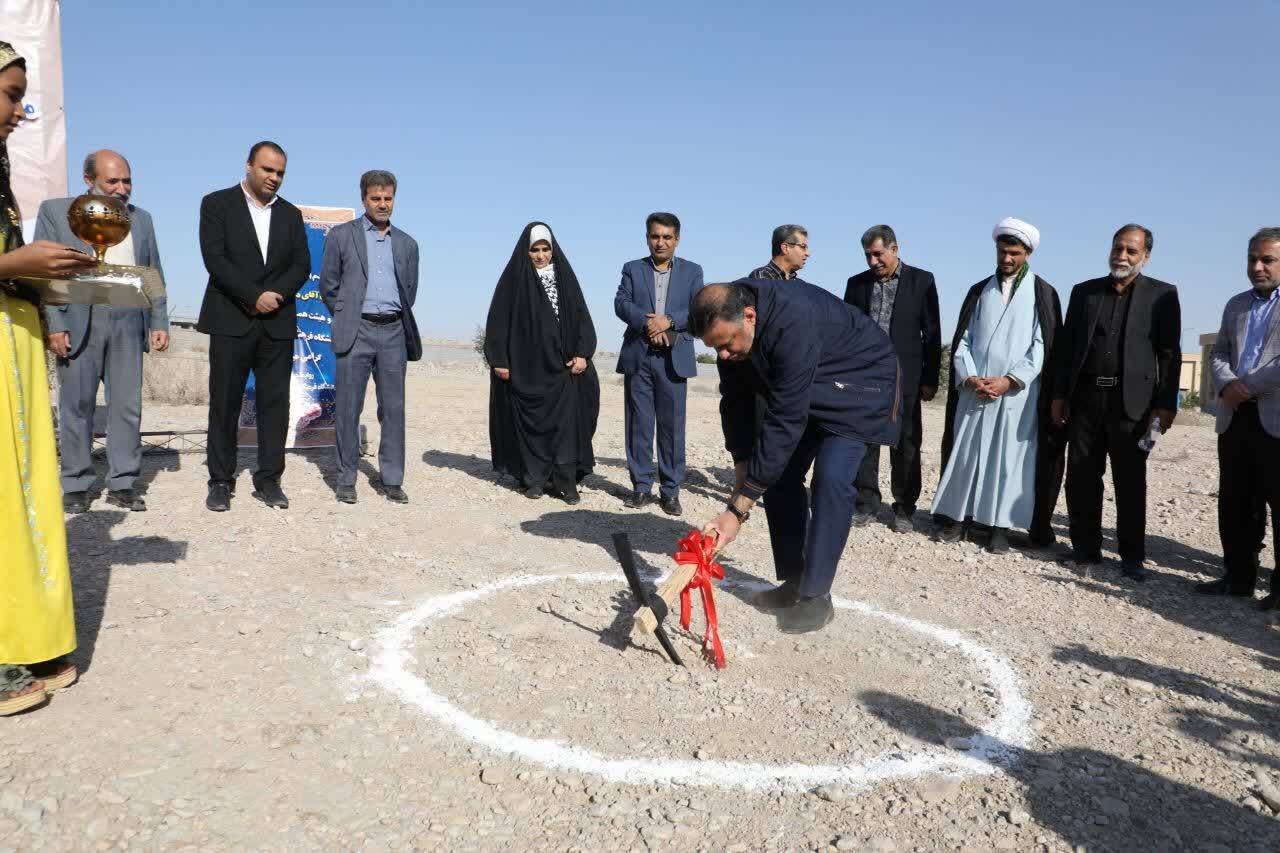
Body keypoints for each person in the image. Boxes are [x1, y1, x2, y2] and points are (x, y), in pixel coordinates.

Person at [692, 280, 900, 634]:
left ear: (750, 316)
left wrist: (738, 510)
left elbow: (785, 418)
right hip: (815, 382)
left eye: (726, 345)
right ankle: (795, 580)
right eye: (715, 349)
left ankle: (817, 596)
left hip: (861, 383)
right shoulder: (732, 333)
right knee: (779, 476)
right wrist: (744, 468)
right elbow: (736, 402)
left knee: (831, 478)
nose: (723, 355)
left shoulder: (792, 322)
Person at [0, 42, 96, 716]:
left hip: (16, 336)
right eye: (8, 94)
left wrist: (39, 269)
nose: (19, 109)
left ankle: (27, 637)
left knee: (23, 500)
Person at [38, 149, 169, 514]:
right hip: (80, 315)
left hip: (128, 317)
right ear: (89, 181)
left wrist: (158, 321)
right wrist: (56, 323)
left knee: (126, 407)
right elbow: (48, 273)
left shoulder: (142, 220)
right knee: (76, 405)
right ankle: (77, 483)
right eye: (113, 181)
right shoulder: (55, 212)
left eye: (127, 181)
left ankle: (123, 482)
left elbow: (152, 272)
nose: (121, 188)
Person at [1051, 225, 1181, 581]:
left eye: (1131, 251)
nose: (1122, 256)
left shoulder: (1162, 295)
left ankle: (1131, 557)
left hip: (1133, 405)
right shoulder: (1084, 293)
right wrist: (1059, 395)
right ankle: (1085, 551)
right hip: (1085, 400)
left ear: (1146, 257)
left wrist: (1165, 404)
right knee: (1081, 477)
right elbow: (1066, 350)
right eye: (1118, 248)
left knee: (1129, 480)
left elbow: (1169, 354)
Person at [932, 218, 1062, 553]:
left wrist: (1009, 380)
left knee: (1008, 461)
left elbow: (1042, 345)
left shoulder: (1042, 293)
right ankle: (958, 519)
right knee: (967, 455)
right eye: (1002, 252)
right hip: (975, 391)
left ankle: (998, 527)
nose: (1007, 259)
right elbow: (963, 339)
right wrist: (971, 376)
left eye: (1014, 253)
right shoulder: (979, 289)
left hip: (1016, 394)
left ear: (1028, 253)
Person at [197, 141, 310, 512]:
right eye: (267, 170)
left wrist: (274, 295)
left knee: (275, 405)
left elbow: (300, 265)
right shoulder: (216, 204)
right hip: (231, 320)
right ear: (248, 166)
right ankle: (220, 480)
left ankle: (269, 480)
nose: (274, 178)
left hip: (276, 323)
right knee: (225, 403)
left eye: (280, 172)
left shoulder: (292, 216)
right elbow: (215, 259)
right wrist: (252, 296)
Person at [320, 169, 421, 505]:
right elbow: (329, 286)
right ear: (363, 198)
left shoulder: (408, 244)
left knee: (393, 409)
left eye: (388, 198)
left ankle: (391, 479)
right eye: (376, 198)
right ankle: (347, 477)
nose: (382, 204)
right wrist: (347, 315)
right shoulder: (340, 236)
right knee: (349, 408)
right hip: (356, 330)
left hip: (393, 331)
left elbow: (410, 291)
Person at [485, 222, 599, 503]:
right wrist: (499, 359)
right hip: (527, 369)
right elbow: (498, 321)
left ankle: (566, 483)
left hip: (563, 368)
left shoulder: (565, 279)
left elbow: (582, 318)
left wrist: (583, 353)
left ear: (553, 249)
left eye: (545, 249)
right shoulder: (514, 279)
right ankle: (533, 479)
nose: (540, 255)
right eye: (534, 250)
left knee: (566, 426)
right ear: (526, 252)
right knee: (528, 426)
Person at [844, 224, 941, 533]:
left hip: (906, 377)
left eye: (878, 254)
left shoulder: (922, 281)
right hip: (866, 376)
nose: (873, 262)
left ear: (894, 249)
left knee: (907, 442)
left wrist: (929, 379)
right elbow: (846, 331)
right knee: (866, 441)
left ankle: (904, 509)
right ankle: (866, 503)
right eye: (868, 256)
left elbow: (932, 333)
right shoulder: (856, 284)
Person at [1202, 227, 1280, 608]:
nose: (1258, 267)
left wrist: (1247, 386)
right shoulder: (1236, 304)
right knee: (1236, 499)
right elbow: (1218, 352)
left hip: (1273, 417)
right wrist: (1229, 384)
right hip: (1236, 416)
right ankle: (1238, 576)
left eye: (1267, 259)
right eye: (1253, 259)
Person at [614, 212, 704, 515]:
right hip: (639, 357)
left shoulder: (693, 272)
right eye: (655, 236)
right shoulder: (632, 269)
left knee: (672, 428)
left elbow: (698, 310)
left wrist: (669, 321)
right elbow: (621, 303)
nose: (660, 242)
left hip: (673, 359)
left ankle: (670, 491)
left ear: (677, 239)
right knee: (639, 425)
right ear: (647, 238)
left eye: (667, 237)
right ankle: (641, 487)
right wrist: (646, 323)